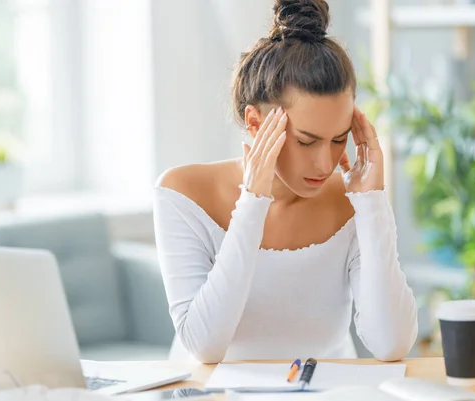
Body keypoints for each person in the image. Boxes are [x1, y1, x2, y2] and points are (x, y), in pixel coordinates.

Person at [153, 0, 418, 364]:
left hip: (323, 392)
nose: (325, 163)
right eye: (306, 141)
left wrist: (372, 201)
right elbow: (205, 347)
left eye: (339, 138)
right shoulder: (183, 193)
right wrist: (252, 202)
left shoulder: (352, 200)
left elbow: (391, 344)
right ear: (255, 123)